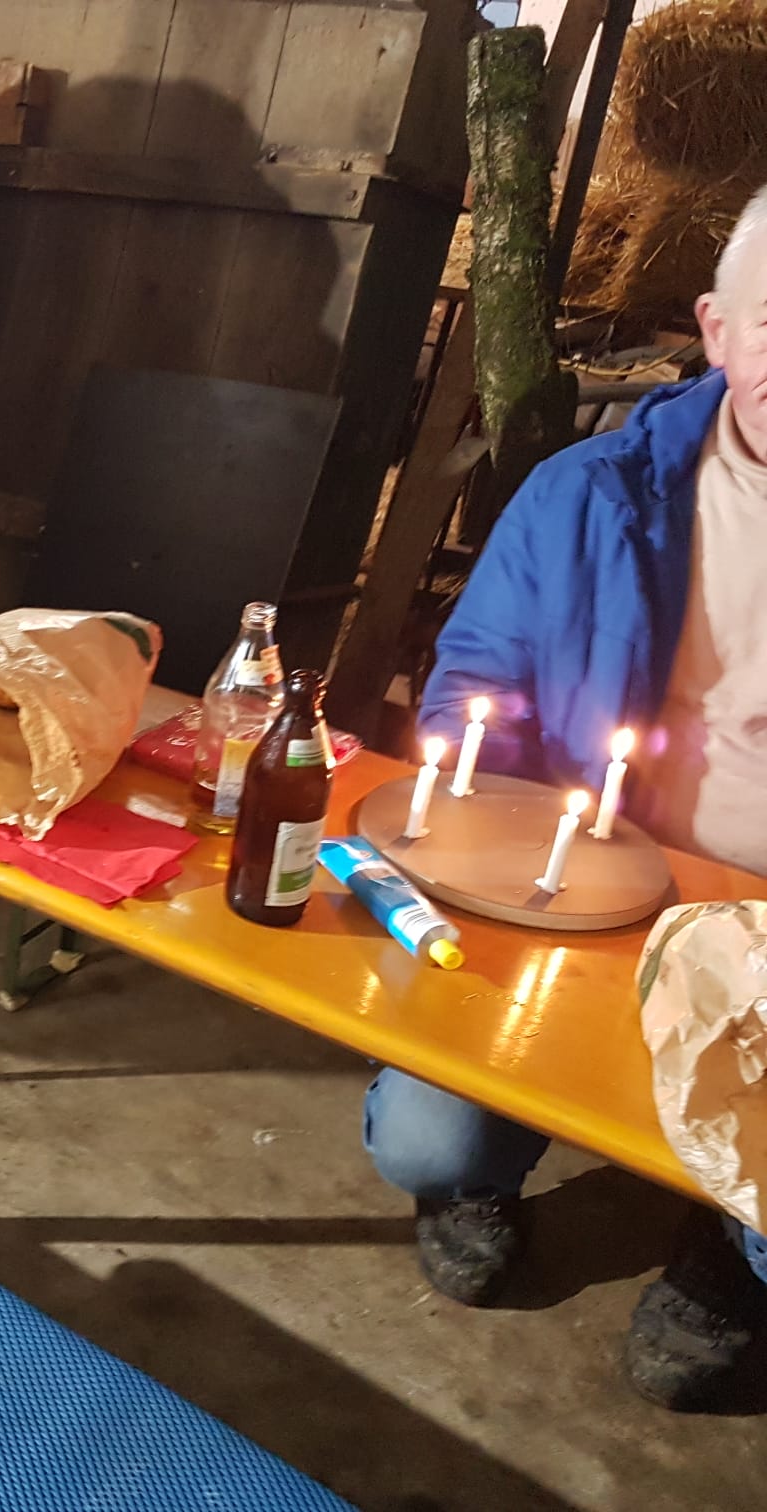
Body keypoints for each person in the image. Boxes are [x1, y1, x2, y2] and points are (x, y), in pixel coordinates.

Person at [365, 185, 767, 1411]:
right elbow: (476, 681)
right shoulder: (590, 495)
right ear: (716, 329)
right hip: (576, 899)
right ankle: (483, 1166)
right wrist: (479, 801)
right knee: (425, 1142)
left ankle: (726, 1249)